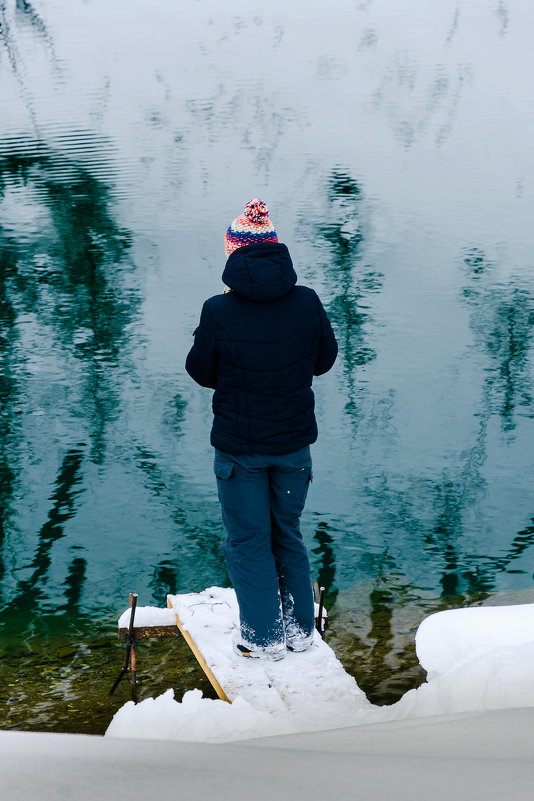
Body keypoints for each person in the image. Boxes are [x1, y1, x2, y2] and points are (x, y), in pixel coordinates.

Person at [185, 199, 338, 661]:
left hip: (240, 451)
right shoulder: (307, 300)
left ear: (234, 254)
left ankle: (264, 637)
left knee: (248, 540)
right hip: (293, 446)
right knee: (286, 533)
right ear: (275, 251)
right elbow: (325, 361)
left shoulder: (217, 310)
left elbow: (201, 371)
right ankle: (300, 631)